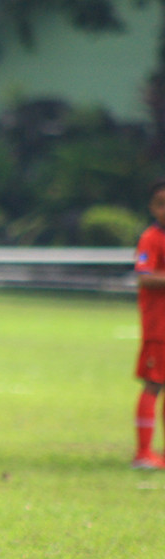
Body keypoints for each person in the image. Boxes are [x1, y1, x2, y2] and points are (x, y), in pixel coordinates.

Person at [133, 176, 165, 469]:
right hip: (159, 327)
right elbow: (145, 276)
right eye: (161, 204)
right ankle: (143, 452)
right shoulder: (151, 238)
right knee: (153, 384)